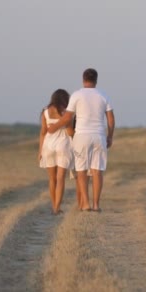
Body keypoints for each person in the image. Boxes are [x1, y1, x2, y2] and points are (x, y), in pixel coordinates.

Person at [48, 68, 115, 212]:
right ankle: (96, 205)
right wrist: (110, 136)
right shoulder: (103, 95)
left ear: (83, 79)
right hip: (99, 136)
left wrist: (54, 127)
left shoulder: (77, 95)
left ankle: (85, 204)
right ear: (96, 80)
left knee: (81, 171)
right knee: (97, 172)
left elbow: (67, 118)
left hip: (81, 136)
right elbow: (110, 118)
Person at [38, 89, 74, 215]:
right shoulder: (66, 113)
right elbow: (70, 132)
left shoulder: (45, 112)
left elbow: (43, 132)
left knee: (52, 179)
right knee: (60, 178)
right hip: (63, 145)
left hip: (48, 145)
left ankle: (54, 206)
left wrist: (40, 151)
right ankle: (57, 207)